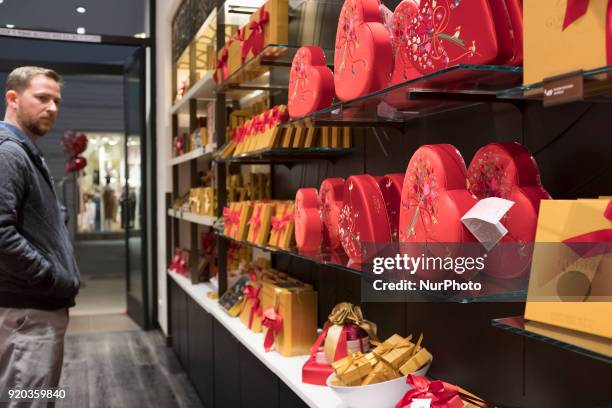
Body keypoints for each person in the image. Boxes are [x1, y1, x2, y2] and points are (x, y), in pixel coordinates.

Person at [0, 67, 80, 402]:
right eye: (42, 98)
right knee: (28, 399)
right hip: (27, 314)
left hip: (32, 311)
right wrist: (49, 277)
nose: (52, 108)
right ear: (13, 99)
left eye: (57, 101)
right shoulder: (8, 153)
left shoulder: (25, 151)